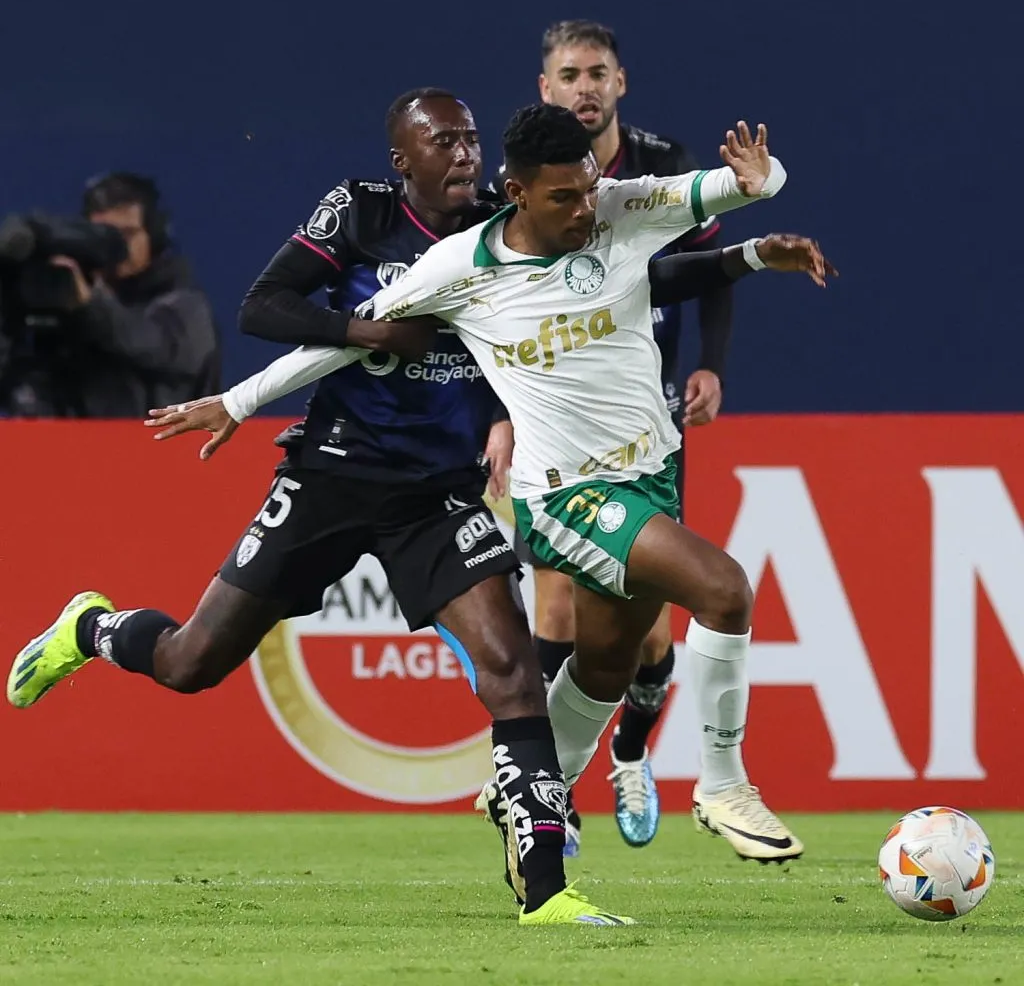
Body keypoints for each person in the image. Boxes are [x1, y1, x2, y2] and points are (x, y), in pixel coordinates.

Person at [135, 108, 833, 886]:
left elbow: (737, 189)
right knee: (724, 589)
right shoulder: (454, 267)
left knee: (605, 666)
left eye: (590, 190)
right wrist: (237, 401)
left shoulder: (620, 209)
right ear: (518, 193)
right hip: (566, 496)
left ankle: (531, 792)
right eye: (563, 197)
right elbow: (337, 339)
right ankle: (724, 785)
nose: (584, 210)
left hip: (652, 472)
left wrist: (757, 189)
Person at [6, 89, 634, 927]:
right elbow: (264, 307)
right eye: (442, 143)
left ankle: (547, 891)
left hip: (436, 493)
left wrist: (500, 417)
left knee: (514, 673)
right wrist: (367, 333)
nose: (463, 156)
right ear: (402, 161)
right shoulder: (362, 213)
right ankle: (92, 629)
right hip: (332, 477)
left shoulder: (500, 224)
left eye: (472, 140)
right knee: (191, 662)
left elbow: (524, 329)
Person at [493, 20, 741, 850]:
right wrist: (500, 412)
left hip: (646, 414)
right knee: (559, 595)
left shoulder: (661, 166)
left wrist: (710, 364)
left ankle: (627, 754)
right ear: (545, 87)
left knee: (650, 625)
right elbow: (497, 312)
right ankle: (542, 787)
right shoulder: (525, 180)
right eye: (568, 73)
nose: (583, 87)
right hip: (558, 418)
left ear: (621, 82)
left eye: (597, 72)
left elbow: (710, 265)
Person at [0, 173, 220, 417]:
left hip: (165, 450)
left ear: (154, 236)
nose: (116, 248)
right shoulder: (68, 296)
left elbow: (143, 344)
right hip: (72, 449)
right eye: (101, 234)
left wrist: (88, 304)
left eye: (127, 235)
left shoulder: (187, 307)